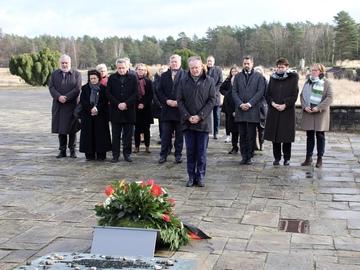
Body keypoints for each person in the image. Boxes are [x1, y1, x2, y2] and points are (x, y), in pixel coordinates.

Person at [177, 56, 216, 187]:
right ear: (189, 67)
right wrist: (188, 116)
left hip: (203, 123)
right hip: (187, 123)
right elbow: (180, 100)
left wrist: (200, 116)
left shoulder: (209, 81)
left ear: (201, 67)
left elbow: (212, 100)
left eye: (197, 68)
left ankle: (200, 176)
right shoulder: (183, 81)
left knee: (201, 152)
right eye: (192, 68)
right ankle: (190, 176)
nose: (194, 70)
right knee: (190, 151)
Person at [264, 58, 299, 166]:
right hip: (274, 110)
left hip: (286, 111)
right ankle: (277, 157)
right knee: (275, 136)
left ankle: (287, 158)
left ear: (287, 67)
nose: (280, 69)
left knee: (286, 136)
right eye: (279, 67)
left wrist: (285, 104)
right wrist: (273, 103)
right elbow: (268, 94)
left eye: (282, 67)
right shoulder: (273, 78)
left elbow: (294, 95)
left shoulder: (293, 77)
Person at [232, 55, 265, 165]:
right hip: (240, 110)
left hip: (253, 110)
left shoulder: (259, 77)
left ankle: (250, 156)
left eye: (248, 63)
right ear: (242, 64)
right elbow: (234, 92)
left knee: (251, 135)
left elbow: (260, 92)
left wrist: (250, 104)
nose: (246, 65)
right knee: (242, 135)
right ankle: (243, 155)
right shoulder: (237, 77)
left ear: (252, 64)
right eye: (245, 63)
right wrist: (240, 104)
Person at [300, 63, 333, 168]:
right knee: (309, 136)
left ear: (321, 72)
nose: (313, 72)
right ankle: (308, 157)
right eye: (312, 70)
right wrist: (305, 107)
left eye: (315, 70)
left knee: (320, 135)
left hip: (320, 113)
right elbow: (302, 96)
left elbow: (330, 97)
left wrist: (318, 107)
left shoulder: (326, 83)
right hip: (309, 112)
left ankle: (320, 158)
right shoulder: (308, 82)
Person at [49, 54, 82, 158]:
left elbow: (77, 89)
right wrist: (59, 97)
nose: (64, 65)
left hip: (71, 105)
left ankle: (72, 150)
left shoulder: (76, 74)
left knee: (72, 129)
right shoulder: (55, 74)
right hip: (59, 105)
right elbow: (51, 87)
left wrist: (66, 97)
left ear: (70, 63)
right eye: (62, 63)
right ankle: (62, 150)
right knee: (61, 129)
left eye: (66, 63)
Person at [106, 58, 138, 163]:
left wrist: (126, 103)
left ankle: (127, 154)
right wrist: (118, 104)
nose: (121, 70)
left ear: (127, 67)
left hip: (129, 110)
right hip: (116, 110)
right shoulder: (112, 78)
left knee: (128, 135)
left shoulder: (133, 78)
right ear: (116, 68)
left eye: (123, 68)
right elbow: (108, 93)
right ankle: (115, 155)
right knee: (115, 135)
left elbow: (136, 94)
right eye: (119, 68)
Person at [158, 54, 187, 164]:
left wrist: (178, 102)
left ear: (180, 62)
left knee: (179, 135)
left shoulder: (185, 75)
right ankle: (163, 154)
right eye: (172, 62)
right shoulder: (164, 75)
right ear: (169, 63)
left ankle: (178, 154)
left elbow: (188, 92)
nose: (174, 63)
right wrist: (166, 100)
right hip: (167, 110)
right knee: (165, 134)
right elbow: (159, 90)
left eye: (176, 61)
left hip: (180, 110)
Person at [79, 70, 111, 160]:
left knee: (100, 134)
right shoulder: (85, 88)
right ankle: (89, 154)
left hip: (100, 114)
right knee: (88, 134)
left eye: (94, 78)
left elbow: (105, 100)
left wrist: (97, 108)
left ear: (98, 78)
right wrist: (90, 108)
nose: (93, 80)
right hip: (87, 114)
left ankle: (101, 153)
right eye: (91, 78)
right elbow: (83, 100)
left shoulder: (103, 88)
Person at [133, 63, 154, 153]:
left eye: (143, 69)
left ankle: (147, 146)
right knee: (137, 128)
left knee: (146, 128)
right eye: (139, 69)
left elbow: (150, 94)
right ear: (136, 70)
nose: (141, 71)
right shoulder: (133, 81)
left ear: (146, 71)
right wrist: (138, 103)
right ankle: (136, 146)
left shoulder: (148, 81)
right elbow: (132, 94)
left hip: (146, 107)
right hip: (136, 107)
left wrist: (143, 104)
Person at [220, 65, 240, 144]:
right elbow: (221, 88)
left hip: (238, 107)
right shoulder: (228, 80)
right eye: (232, 71)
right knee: (229, 121)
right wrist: (227, 94)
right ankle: (228, 135)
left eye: (235, 71)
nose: (234, 73)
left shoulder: (239, 80)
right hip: (229, 104)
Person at [206, 55, 223, 139]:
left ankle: (216, 132)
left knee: (216, 115)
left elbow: (220, 83)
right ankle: (208, 131)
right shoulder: (203, 70)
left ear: (214, 62)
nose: (209, 62)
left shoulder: (218, 70)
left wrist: (213, 91)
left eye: (211, 61)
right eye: (208, 61)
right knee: (206, 115)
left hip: (215, 96)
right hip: (205, 97)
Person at [253, 65, 268, 151]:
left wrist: (262, 102)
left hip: (262, 106)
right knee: (252, 128)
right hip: (253, 106)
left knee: (262, 127)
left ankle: (262, 143)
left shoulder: (265, 82)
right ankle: (254, 144)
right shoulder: (251, 82)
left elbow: (267, 94)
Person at [152, 66, 166, 144]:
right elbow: (154, 94)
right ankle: (162, 137)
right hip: (159, 106)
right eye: (161, 72)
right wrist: (159, 104)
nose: (162, 73)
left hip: (167, 105)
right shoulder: (155, 82)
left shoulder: (168, 81)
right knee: (161, 124)